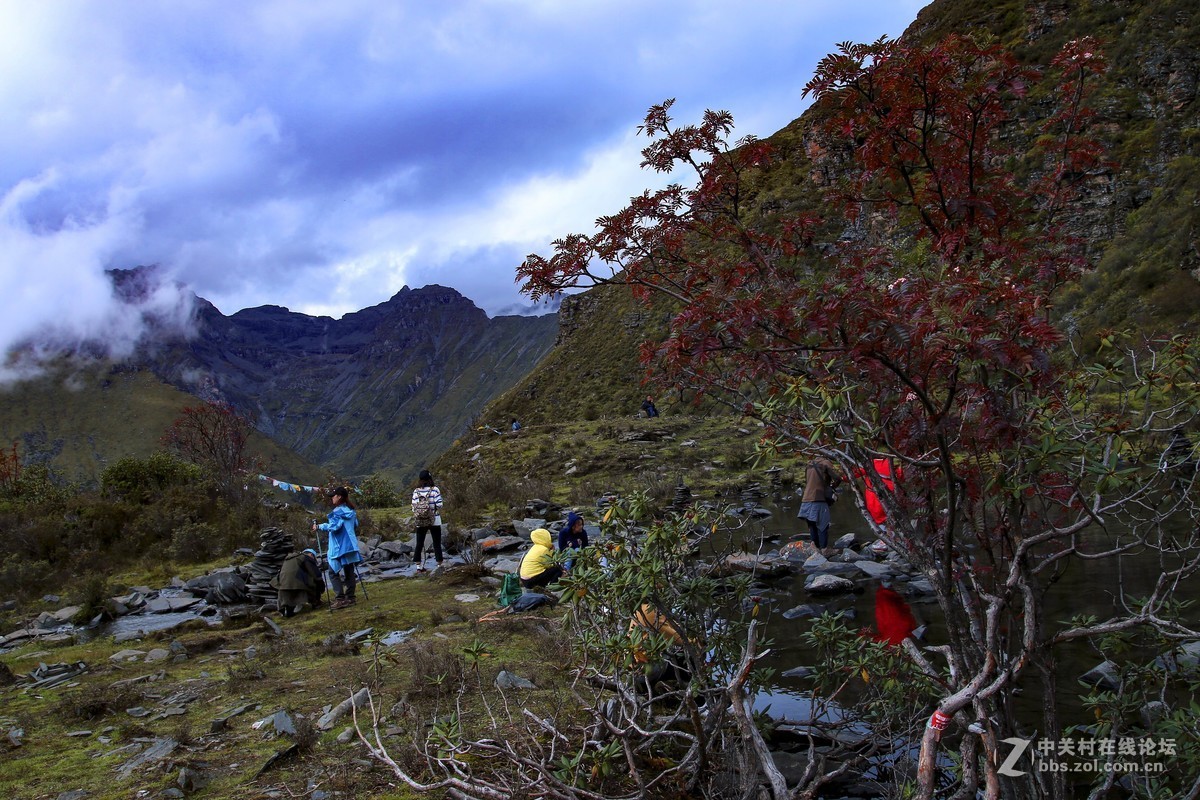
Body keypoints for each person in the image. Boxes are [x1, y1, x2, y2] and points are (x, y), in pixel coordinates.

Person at [313, 487, 361, 609]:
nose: (332, 498)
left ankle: (340, 599)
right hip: (351, 545)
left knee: (333, 572)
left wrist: (320, 526)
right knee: (349, 571)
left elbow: (334, 527)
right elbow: (356, 525)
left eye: (333, 496)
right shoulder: (351, 511)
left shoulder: (337, 512)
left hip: (339, 546)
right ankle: (350, 597)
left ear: (339, 496)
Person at [798, 456, 841, 550]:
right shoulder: (826, 463)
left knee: (812, 524)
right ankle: (824, 549)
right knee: (823, 525)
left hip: (806, 499)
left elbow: (808, 481)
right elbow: (837, 478)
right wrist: (832, 487)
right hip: (819, 498)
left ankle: (815, 548)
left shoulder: (809, 464)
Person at [856, 457, 902, 529]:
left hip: (875, 502)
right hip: (893, 499)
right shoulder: (894, 463)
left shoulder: (868, 464)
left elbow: (851, 474)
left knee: (881, 525)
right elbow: (901, 477)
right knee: (895, 523)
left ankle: (886, 538)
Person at [411, 469, 444, 572]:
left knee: (419, 543)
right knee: (436, 542)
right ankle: (439, 564)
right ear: (430, 478)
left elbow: (413, 507)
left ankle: (418, 566)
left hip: (420, 520)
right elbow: (439, 504)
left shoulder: (416, 491)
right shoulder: (435, 489)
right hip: (434, 519)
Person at [276, 548, 324, 617]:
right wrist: (321, 586)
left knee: (287, 595)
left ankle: (287, 612)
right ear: (311, 555)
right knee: (313, 583)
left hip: (282, 584)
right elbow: (314, 574)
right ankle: (316, 603)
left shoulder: (287, 559)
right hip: (297, 583)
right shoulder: (306, 558)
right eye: (314, 558)